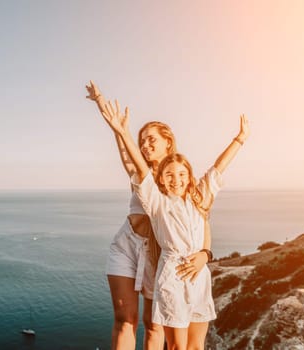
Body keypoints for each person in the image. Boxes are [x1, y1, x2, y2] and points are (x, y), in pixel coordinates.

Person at [100, 98, 249, 350]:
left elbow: (218, 168)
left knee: (184, 340)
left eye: (181, 175)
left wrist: (240, 139)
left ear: (189, 176)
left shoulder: (197, 197)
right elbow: (134, 163)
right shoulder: (155, 199)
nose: (175, 179)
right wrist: (121, 131)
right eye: (170, 175)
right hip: (159, 262)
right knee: (161, 336)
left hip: (192, 271)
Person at [86, 81, 212, 350]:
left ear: (168, 141)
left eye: (151, 139)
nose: (144, 144)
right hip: (126, 245)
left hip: (158, 253)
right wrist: (106, 112)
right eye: (141, 141)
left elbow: (201, 218)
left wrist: (205, 253)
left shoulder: (180, 179)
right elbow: (125, 149)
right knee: (125, 320)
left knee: (154, 324)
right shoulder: (138, 172)